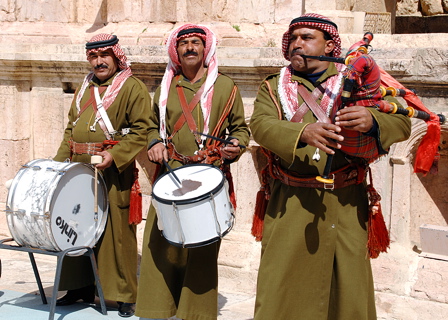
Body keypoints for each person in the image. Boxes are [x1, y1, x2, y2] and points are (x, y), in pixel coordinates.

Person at [249, 13, 411, 320]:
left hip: (346, 204)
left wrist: (373, 120)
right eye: (293, 38)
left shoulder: (358, 81)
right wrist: (302, 132)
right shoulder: (273, 87)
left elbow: (402, 120)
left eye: (307, 38)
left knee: (346, 291)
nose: (298, 43)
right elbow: (260, 125)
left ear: (329, 45)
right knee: (280, 287)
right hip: (290, 203)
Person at [135, 24, 250, 320]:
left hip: (208, 177)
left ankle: (194, 314)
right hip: (170, 175)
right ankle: (157, 309)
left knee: (201, 249)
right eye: (184, 42)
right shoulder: (165, 88)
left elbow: (240, 129)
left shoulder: (225, 87)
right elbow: (150, 125)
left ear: (205, 48)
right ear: (176, 50)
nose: (189, 47)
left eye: (195, 42)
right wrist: (154, 142)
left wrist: (236, 145)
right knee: (159, 243)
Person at [53, 33, 151, 318]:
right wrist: (58, 166)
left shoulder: (132, 88)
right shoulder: (85, 87)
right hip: (78, 169)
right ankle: (79, 286)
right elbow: (71, 130)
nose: (98, 61)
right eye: (93, 57)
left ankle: (123, 295)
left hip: (112, 172)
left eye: (104, 55)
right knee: (75, 227)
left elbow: (142, 130)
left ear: (116, 56)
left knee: (116, 233)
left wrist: (116, 156)